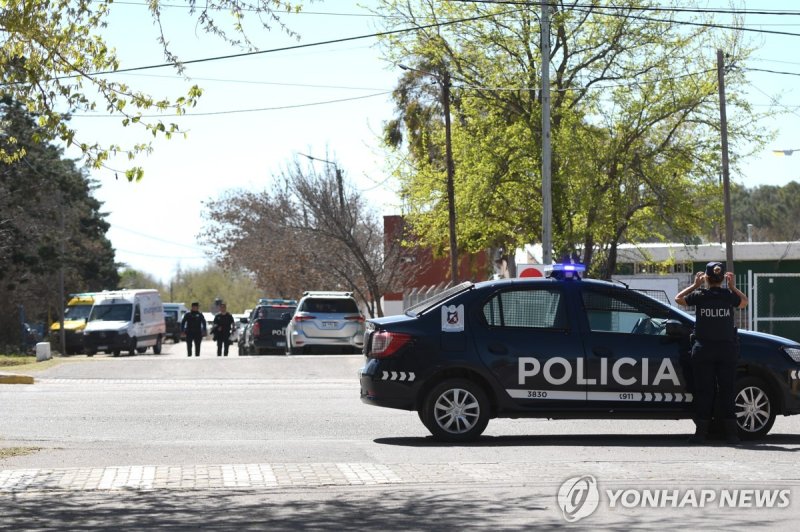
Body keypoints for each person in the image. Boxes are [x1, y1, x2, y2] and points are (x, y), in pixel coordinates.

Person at [675, 262, 748, 445]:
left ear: (706, 278)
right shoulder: (728, 296)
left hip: (704, 351)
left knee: (704, 392)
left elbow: (678, 299)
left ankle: (701, 434)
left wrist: (695, 285)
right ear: (723, 278)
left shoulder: (700, 295)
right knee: (727, 391)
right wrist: (733, 287)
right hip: (726, 351)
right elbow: (744, 302)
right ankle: (732, 435)